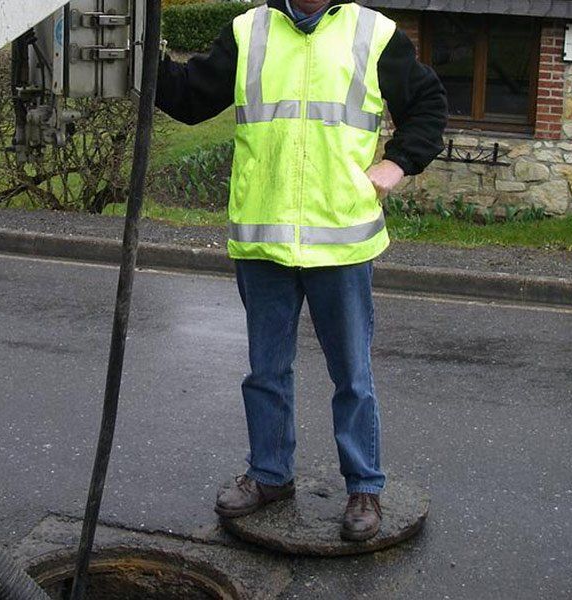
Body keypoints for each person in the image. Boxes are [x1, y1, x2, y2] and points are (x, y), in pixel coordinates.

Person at [155, 0, 447, 541]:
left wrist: (398, 161)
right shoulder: (249, 31)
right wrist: (135, 54)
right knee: (266, 372)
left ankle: (364, 487)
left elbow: (428, 103)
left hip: (341, 242)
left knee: (352, 376)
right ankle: (269, 475)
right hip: (265, 241)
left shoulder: (373, 33)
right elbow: (189, 97)